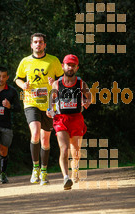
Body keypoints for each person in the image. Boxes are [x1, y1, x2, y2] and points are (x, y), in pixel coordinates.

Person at [15, 33, 63, 185]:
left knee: (45, 140)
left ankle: (44, 171)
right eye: (35, 42)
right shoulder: (25, 61)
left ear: (45, 45)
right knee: (35, 133)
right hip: (31, 101)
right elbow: (17, 78)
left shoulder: (53, 60)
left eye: (41, 42)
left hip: (49, 103)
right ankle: (35, 168)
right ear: (31, 45)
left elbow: (63, 80)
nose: (38, 44)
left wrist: (54, 82)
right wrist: (23, 85)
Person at [47, 55, 92, 190]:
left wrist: (87, 101)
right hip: (61, 119)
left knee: (75, 151)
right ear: (63, 66)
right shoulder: (57, 84)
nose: (70, 67)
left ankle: (75, 170)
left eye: (73, 65)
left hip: (77, 118)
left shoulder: (81, 83)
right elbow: (51, 99)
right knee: (64, 149)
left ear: (77, 68)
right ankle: (66, 178)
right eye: (68, 65)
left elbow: (89, 96)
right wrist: (50, 109)